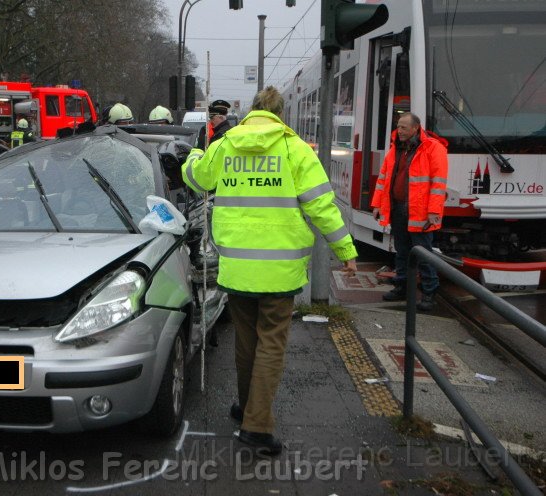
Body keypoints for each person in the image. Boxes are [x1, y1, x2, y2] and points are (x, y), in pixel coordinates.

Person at [182, 86, 358, 455]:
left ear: (252, 111)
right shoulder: (295, 150)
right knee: (271, 345)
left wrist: (199, 150)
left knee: (247, 343)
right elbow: (322, 207)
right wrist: (345, 249)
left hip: (238, 267)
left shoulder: (226, 145)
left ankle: (246, 408)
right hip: (280, 269)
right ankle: (257, 427)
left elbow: (196, 179)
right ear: (280, 114)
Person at [371, 112, 448, 311]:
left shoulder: (433, 148)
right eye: (398, 126)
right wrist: (378, 205)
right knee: (402, 251)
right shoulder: (396, 148)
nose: (400, 130)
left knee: (423, 254)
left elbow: (438, 184)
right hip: (398, 208)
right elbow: (383, 180)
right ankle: (402, 286)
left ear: (416, 128)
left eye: (404, 127)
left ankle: (429, 293)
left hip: (420, 212)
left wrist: (433, 211)